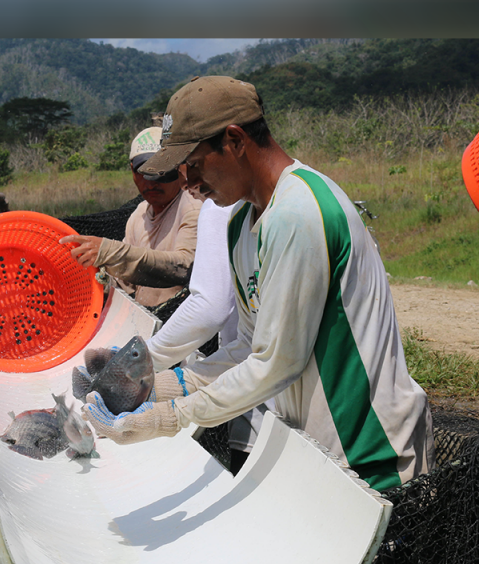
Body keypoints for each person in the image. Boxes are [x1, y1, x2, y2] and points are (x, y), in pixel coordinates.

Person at [83, 76, 434, 491]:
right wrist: (162, 386)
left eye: (194, 165)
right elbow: (249, 347)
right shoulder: (241, 224)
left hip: (369, 456)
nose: (190, 184)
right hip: (318, 451)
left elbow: (273, 365)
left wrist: (169, 416)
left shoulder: (299, 213)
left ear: (234, 140)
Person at [146, 186, 272, 476]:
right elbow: (251, 338)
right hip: (259, 396)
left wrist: (144, 364)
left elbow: (211, 306)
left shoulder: (219, 208)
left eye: (193, 163)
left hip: (261, 407)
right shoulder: (266, 203)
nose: (189, 182)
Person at [60, 127, 202, 308]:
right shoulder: (139, 214)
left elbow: (184, 266)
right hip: (145, 320)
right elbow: (124, 282)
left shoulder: (191, 207)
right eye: (143, 172)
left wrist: (110, 252)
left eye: (161, 171)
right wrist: (92, 279)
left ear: (177, 167)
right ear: (132, 171)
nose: (150, 182)